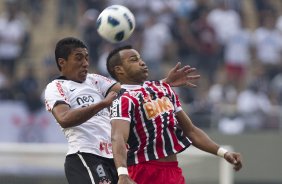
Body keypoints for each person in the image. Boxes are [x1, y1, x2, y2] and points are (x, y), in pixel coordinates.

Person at [44, 37, 200, 184]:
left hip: (116, 159)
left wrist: (163, 83)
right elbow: (64, 118)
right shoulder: (56, 87)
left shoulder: (94, 80)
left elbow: (131, 92)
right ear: (62, 62)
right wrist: (102, 104)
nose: (85, 63)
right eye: (79, 58)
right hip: (86, 156)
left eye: (86, 57)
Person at [107, 45, 243, 184]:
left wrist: (223, 153)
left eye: (140, 58)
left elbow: (191, 131)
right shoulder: (123, 100)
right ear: (119, 70)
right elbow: (118, 138)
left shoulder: (163, 89)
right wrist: (122, 173)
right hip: (144, 171)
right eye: (133, 60)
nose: (142, 62)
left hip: (172, 171)